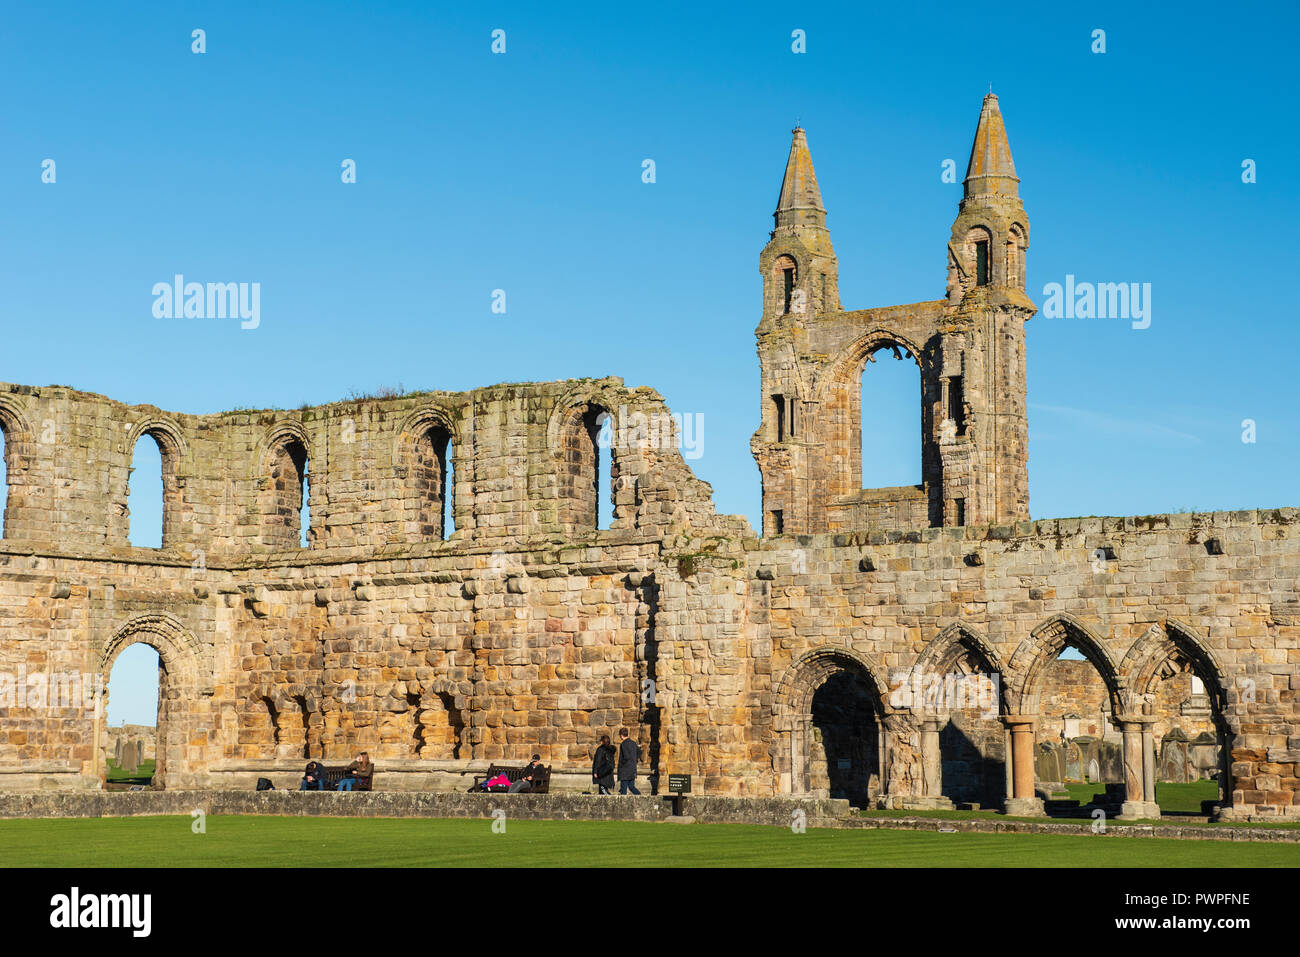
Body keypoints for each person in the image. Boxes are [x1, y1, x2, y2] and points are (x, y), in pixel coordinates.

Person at [617, 728, 641, 795]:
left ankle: (622, 804)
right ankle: (640, 797)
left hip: (625, 770)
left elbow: (626, 757)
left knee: (623, 789)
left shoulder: (623, 744)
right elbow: (639, 752)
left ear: (621, 735)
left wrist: (621, 765)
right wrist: (634, 760)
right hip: (632, 769)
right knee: (631, 787)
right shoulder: (633, 743)